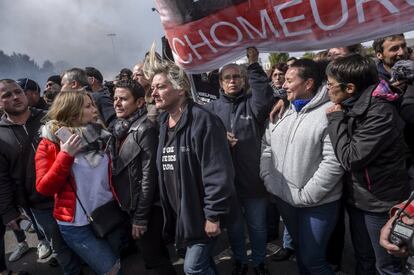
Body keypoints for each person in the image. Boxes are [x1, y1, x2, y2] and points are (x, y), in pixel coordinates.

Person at [144, 44, 235, 275]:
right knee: (203, 264)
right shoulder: (165, 122)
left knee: (193, 268)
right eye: (152, 87)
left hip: (201, 215)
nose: (153, 93)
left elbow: (218, 172)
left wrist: (213, 215)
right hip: (181, 216)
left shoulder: (204, 121)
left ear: (180, 89)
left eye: (160, 87)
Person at [325, 54, 410, 275]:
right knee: (363, 257)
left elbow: (350, 158)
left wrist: (335, 119)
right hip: (360, 198)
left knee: (387, 265)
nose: (327, 89)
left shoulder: (380, 111)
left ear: (350, 87)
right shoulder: (353, 103)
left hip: (380, 203)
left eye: (330, 84)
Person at [260, 59, 344, 275]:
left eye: (289, 80)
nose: (283, 85)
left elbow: (333, 162)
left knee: (313, 259)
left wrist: (306, 195)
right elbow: (266, 145)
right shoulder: (282, 110)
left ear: (308, 84)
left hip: (318, 204)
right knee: (301, 255)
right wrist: (268, 178)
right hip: (285, 198)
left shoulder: (330, 112)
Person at [35, 90, 123, 275]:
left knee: (118, 263)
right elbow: (44, 187)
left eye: (93, 104)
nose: (95, 109)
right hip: (76, 225)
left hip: (109, 215)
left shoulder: (101, 134)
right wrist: (65, 155)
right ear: (73, 112)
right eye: (88, 106)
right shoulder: (50, 142)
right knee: (111, 270)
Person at [205, 47, 273, 275]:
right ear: (221, 83)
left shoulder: (252, 104)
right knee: (234, 229)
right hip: (227, 185)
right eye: (227, 78)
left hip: (253, 181)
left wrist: (253, 63)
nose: (232, 81)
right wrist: (220, 138)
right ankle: (241, 261)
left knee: (257, 227)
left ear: (243, 81)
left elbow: (264, 96)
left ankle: (260, 262)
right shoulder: (211, 109)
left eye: (236, 77)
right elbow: (202, 141)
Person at [112, 80, 176, 275]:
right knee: (156, 253)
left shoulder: (145, 128)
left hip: (148, 207)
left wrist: (140, 217)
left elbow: (149, 176)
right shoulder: (119, 127)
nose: (117, 103)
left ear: (140, 103)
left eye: (123, 99)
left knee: (152, 257)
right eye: (115, 98)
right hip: (132, 205)